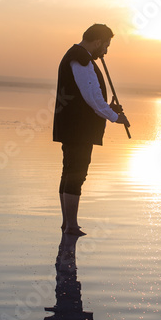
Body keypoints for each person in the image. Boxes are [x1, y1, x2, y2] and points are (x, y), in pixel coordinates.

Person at [53, 24, 130, 236]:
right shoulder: (82, 59)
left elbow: (88, 97)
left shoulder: (76, 56)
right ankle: (71, 225)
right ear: (97, 42)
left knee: (70, 171)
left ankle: (67, 224)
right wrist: (115, 117)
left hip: (73, 127)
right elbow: (92, 98)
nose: (105, 51)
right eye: (106, 46)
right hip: (78, 129)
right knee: (76, 174)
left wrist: (110, 108)